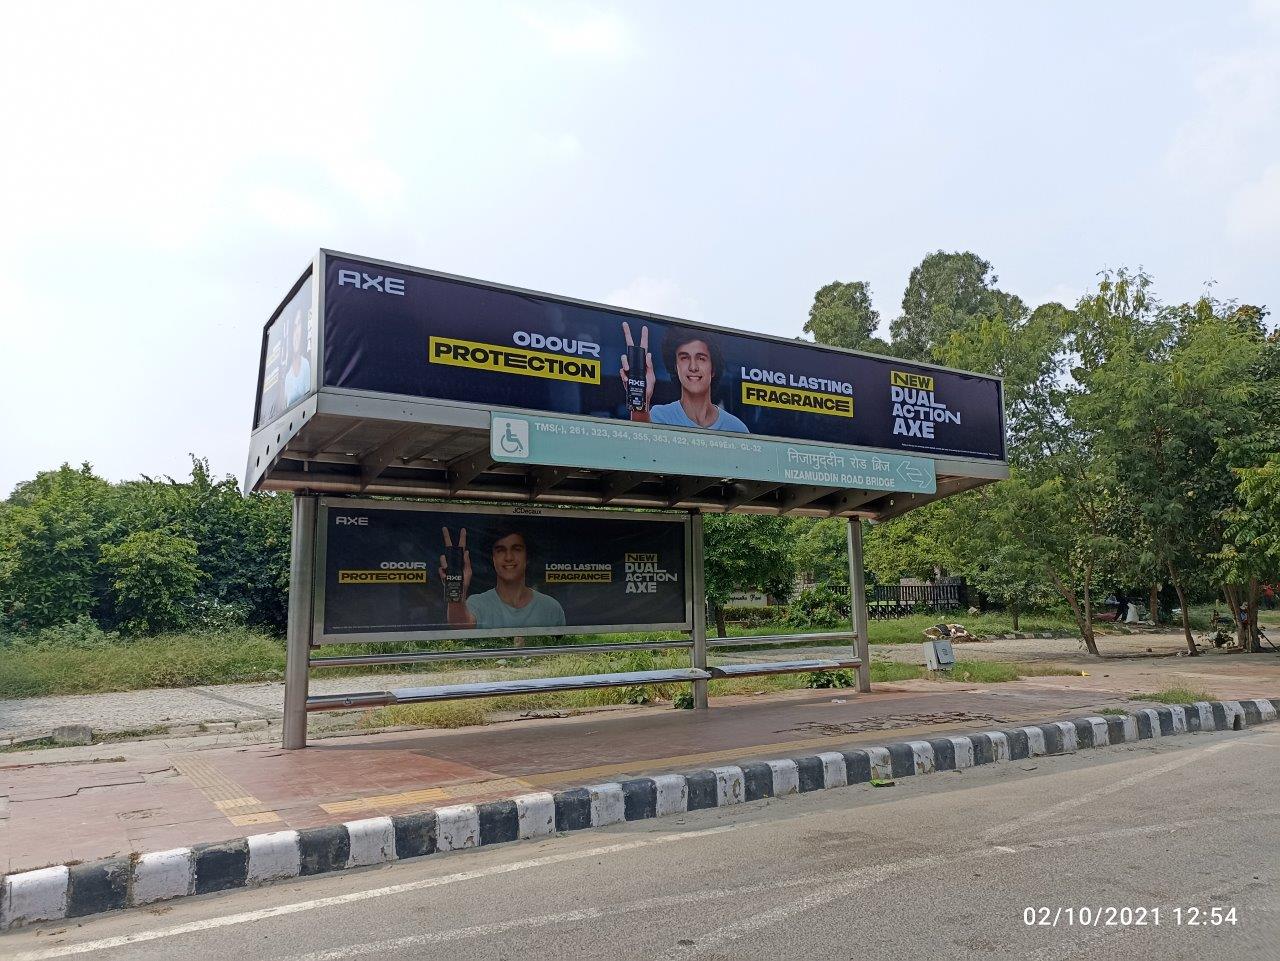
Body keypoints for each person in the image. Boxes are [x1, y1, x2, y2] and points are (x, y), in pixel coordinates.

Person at [619, 322, 748, 433]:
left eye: (701, 358)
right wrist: (639, 400)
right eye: (684, 358)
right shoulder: (660, 417)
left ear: (713, 368)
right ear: (675, 367)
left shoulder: (737, 428)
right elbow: (642, 452)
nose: (693, 367)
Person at [440, 526, 566, 630]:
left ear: (528, 557)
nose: (509, 557)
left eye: (516, 549)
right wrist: (454, 585)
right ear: (492, 558)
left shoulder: (551, 607)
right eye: (500, 550)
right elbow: (459, 626)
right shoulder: (477, 603)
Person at [283, 307, 312, 407]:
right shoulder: (288, 377)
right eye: (294, 326)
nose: (296, 333)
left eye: (299, 324)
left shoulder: (306, 365)